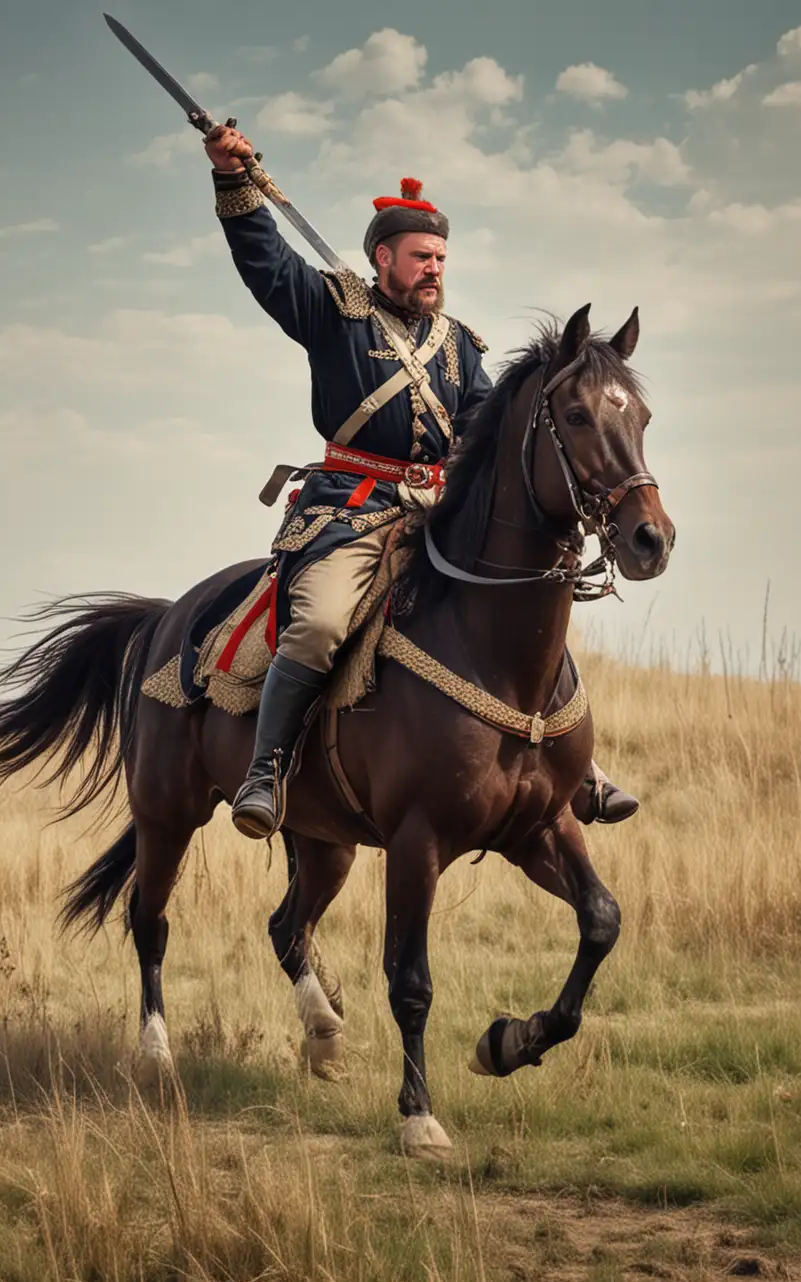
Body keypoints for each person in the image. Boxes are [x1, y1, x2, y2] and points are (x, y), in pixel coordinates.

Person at [205, 125, 640, 837]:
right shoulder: (334, 312)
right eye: (421, 257)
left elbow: (488, 428)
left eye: (441, 257)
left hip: (436, 513)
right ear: (384, 258)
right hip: (349, 511)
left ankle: (572, 768)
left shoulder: (462, 348)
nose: (434, 268)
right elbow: (266, 262)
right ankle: (267, 768)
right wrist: (233, 182)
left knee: (523, 609)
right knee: (315, 626)